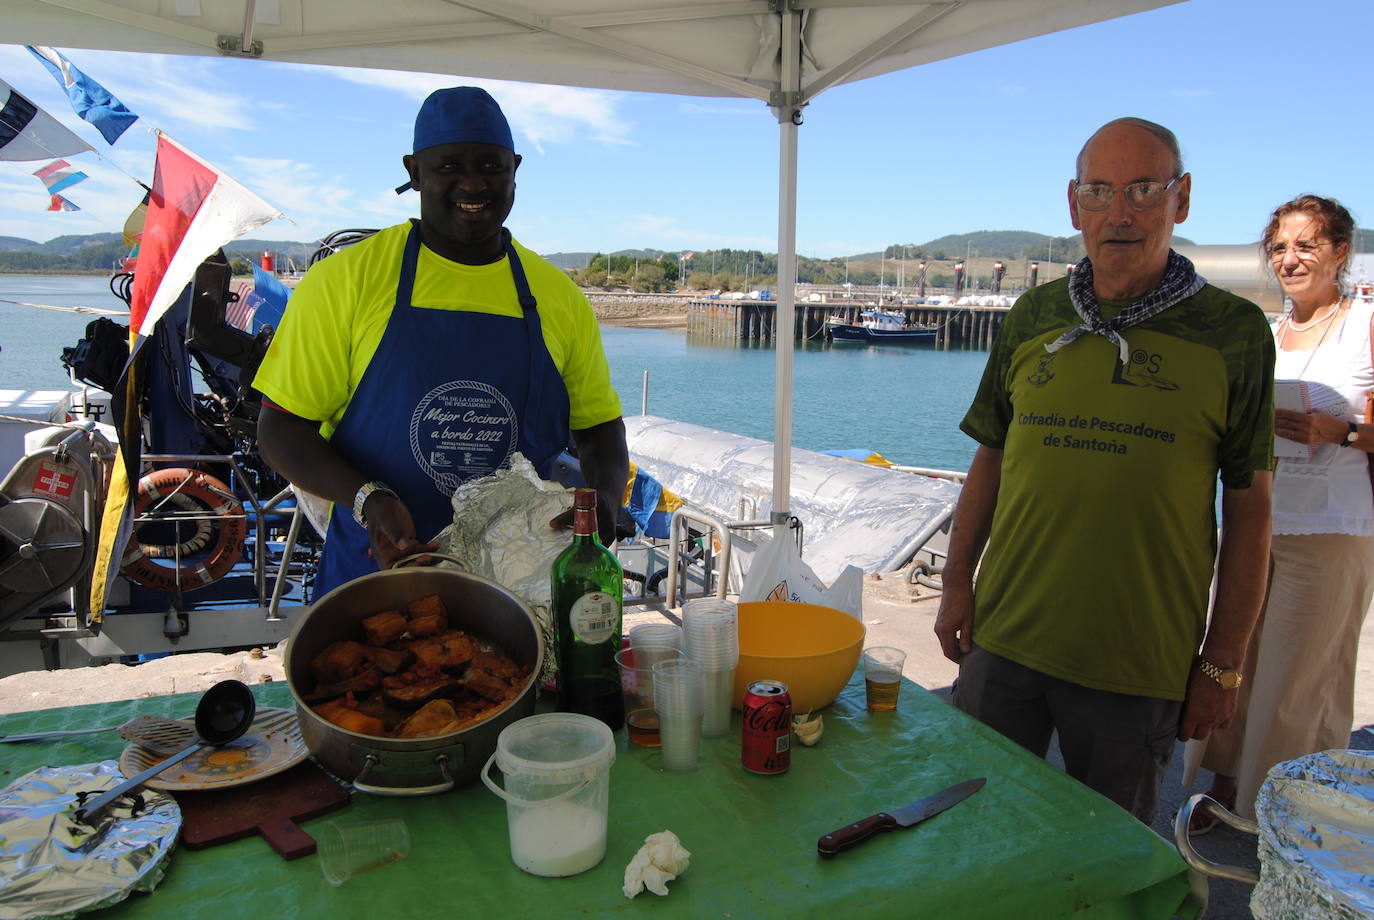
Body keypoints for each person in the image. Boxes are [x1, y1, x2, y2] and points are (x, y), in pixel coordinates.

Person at [932, 117, 1276, 823]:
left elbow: (1250, 511)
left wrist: (1222, 662)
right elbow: (990, 457)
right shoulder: (1034, 314)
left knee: (1108, 859)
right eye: (1100, 190)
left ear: (1182, 199)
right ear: (1073, 204)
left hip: (1138, 662)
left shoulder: (1234, 333)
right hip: (1006, 639)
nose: (1121, 212)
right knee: (973, 830)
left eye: (1144, 189)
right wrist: (957, 582)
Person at [254, 86, 628, 597]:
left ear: (515, 168)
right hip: (380, 573)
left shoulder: (557, 296)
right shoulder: (346, 281)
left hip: (520, 585)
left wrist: (606, 494)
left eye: (491, 166)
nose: (473, 183)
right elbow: (281, 428)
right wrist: (368, 498)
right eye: (449, 166)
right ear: (414, 171)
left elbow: (600, 427)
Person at [1188, 196, 1374, 829]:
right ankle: (1226, 784)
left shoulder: (1365, 324)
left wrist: (1343, 431)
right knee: (1236, 656)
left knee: (1300, 678)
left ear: (1340, 252)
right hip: (1259, 520)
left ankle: (1291, 807)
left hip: (1332, 528)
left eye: (1306, 245)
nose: (1290, 260)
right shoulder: (1268, 334)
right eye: (1279, 248)